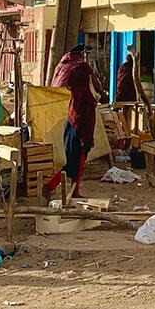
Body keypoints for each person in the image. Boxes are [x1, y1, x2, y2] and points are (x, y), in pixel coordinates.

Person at [45, 45, 106, 200]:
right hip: (78, 132)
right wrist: (84, 137)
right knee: (74, 164)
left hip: (74, 128)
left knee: (75, 164)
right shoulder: (83, 98)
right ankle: (51, 186)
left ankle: (72, 189)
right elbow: (81, 119)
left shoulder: (76, 93)